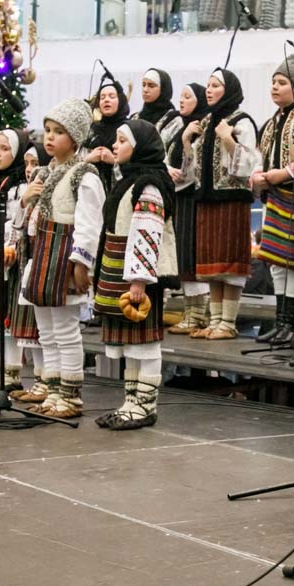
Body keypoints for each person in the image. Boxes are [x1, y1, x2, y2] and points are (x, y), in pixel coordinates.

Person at [17, 98, 103, 418]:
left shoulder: (85, 174)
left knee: (66, 331)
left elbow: (89, 222)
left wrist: (81, 262)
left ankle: (70, 395)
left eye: (59, 132)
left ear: (76, 137)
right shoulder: (46, 172)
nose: (49, 138)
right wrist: (26, 199)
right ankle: (52, 391)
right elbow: (26, 220)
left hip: (64, 255)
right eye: (47, 131)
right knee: (47, 331)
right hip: (42, 254)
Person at [93, 120, 178, 429]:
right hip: (122, 270)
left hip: (138, 276)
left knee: (145, 342)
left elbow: (147, 232)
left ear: (140, 146)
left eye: (122, 141)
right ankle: (131, 402)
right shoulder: (129, 180)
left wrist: (139, 280)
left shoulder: (149, 184)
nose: (115, 146)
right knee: (131, 344)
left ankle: (145, 405)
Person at [183, 69, 260, 340]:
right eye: (208, 85)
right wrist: (186, 141)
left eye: (216, 85)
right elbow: (191, 173)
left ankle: (228, 322)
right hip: (206, 199)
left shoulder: (242, 122)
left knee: (230, 263)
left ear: (228, 90)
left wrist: (228, 138)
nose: (210, 90)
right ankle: (215, 321)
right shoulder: (205, 122)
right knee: (212, 266)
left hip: (231, 200)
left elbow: (249, 165)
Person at [251, 54, 294, 343]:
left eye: (281, 83)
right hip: (275, 199)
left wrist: (286, 173)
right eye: (273, 82)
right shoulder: (270, 123)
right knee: (276, 262)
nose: (275, 88)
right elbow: (258, 155)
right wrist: (258, 175)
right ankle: (281, 319)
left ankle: (293, 323)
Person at [0, 129, 32, 391]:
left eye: (5, 149)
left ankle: (13, 372)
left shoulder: (21, 185)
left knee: (9, 310)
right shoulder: (0, 182)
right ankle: (3, 371)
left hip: (11, 251)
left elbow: (17, 221)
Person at [163, 84, 211, 336]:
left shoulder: (200, 128)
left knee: (192, 253)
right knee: (183, 254)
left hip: (194, 197)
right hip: (179, 198)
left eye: (187, 96)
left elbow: (191, 170)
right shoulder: (180, 127)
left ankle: (198, 315)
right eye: (180, 96)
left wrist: (185, 140)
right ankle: (190, 313)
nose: (181, 101)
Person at [83, 71, 131, 190]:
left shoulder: (130, 129)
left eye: (112, 96)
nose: (106, 100)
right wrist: (88, 159)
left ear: (120, 101)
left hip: (120, 192)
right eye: (102, 97)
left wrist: (114, 161)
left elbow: (138, 165)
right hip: (92, 192)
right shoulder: (91, 129)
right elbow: (75, 161)